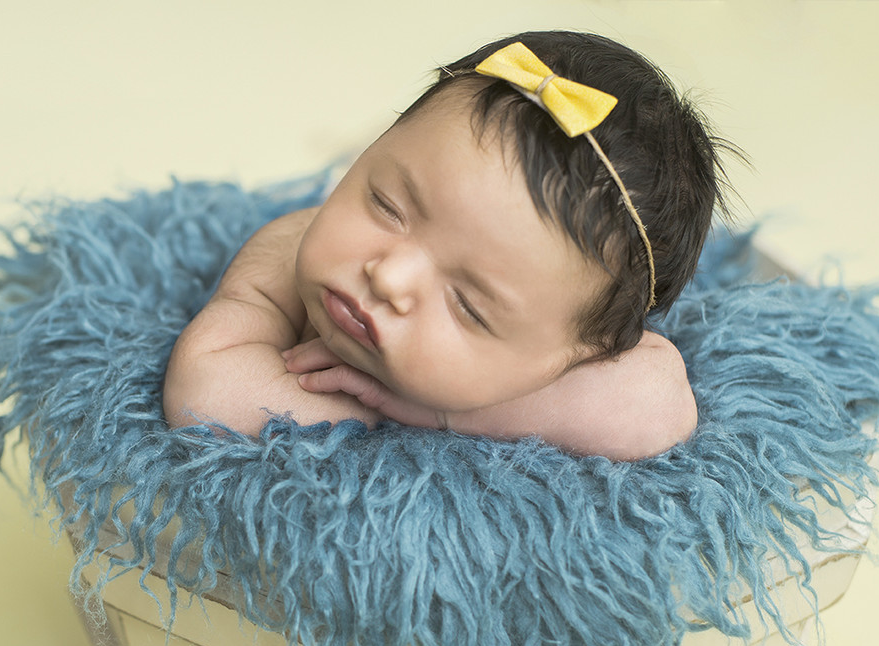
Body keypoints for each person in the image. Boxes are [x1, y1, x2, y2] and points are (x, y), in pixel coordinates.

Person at [163, 31, 733, 460]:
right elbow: (206, 393)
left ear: (583, 357)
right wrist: (362, 406)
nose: (388, 276)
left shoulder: (572, 342)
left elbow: (658, 407)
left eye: (468, 304)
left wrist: (430, 411)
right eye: (387, 205)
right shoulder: (287, 251)